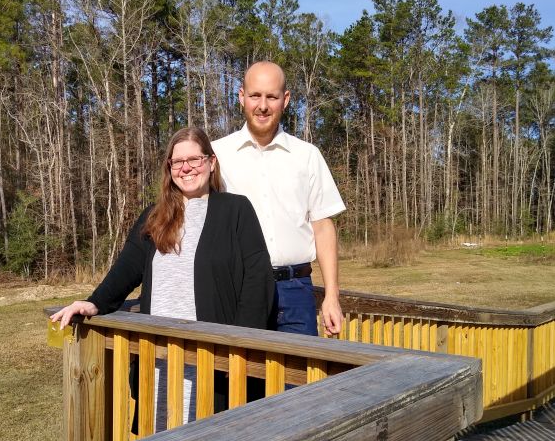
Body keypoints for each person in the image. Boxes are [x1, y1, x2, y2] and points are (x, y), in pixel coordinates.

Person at [51, 126, 274, 418]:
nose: (186, 168)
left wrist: (241, 347)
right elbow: (127, 268)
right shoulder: (155, 216)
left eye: (194, 159)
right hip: (158, 356)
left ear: (211, 162)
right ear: (169, 168)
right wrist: (93, 302)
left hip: (215, 358)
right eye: (177, 162)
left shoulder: (236, 210)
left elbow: (258, 281)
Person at [213, 61, 346, 338]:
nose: (263, 105)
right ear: (241, 97)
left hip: (295, 290)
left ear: (285, 100)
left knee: (302, 380)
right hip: (239, 290)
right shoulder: (216, 156)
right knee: (240, 379)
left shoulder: (307, 155)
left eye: (271, 97)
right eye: (255, 96)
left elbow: (322, 226)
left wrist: (331, 296)